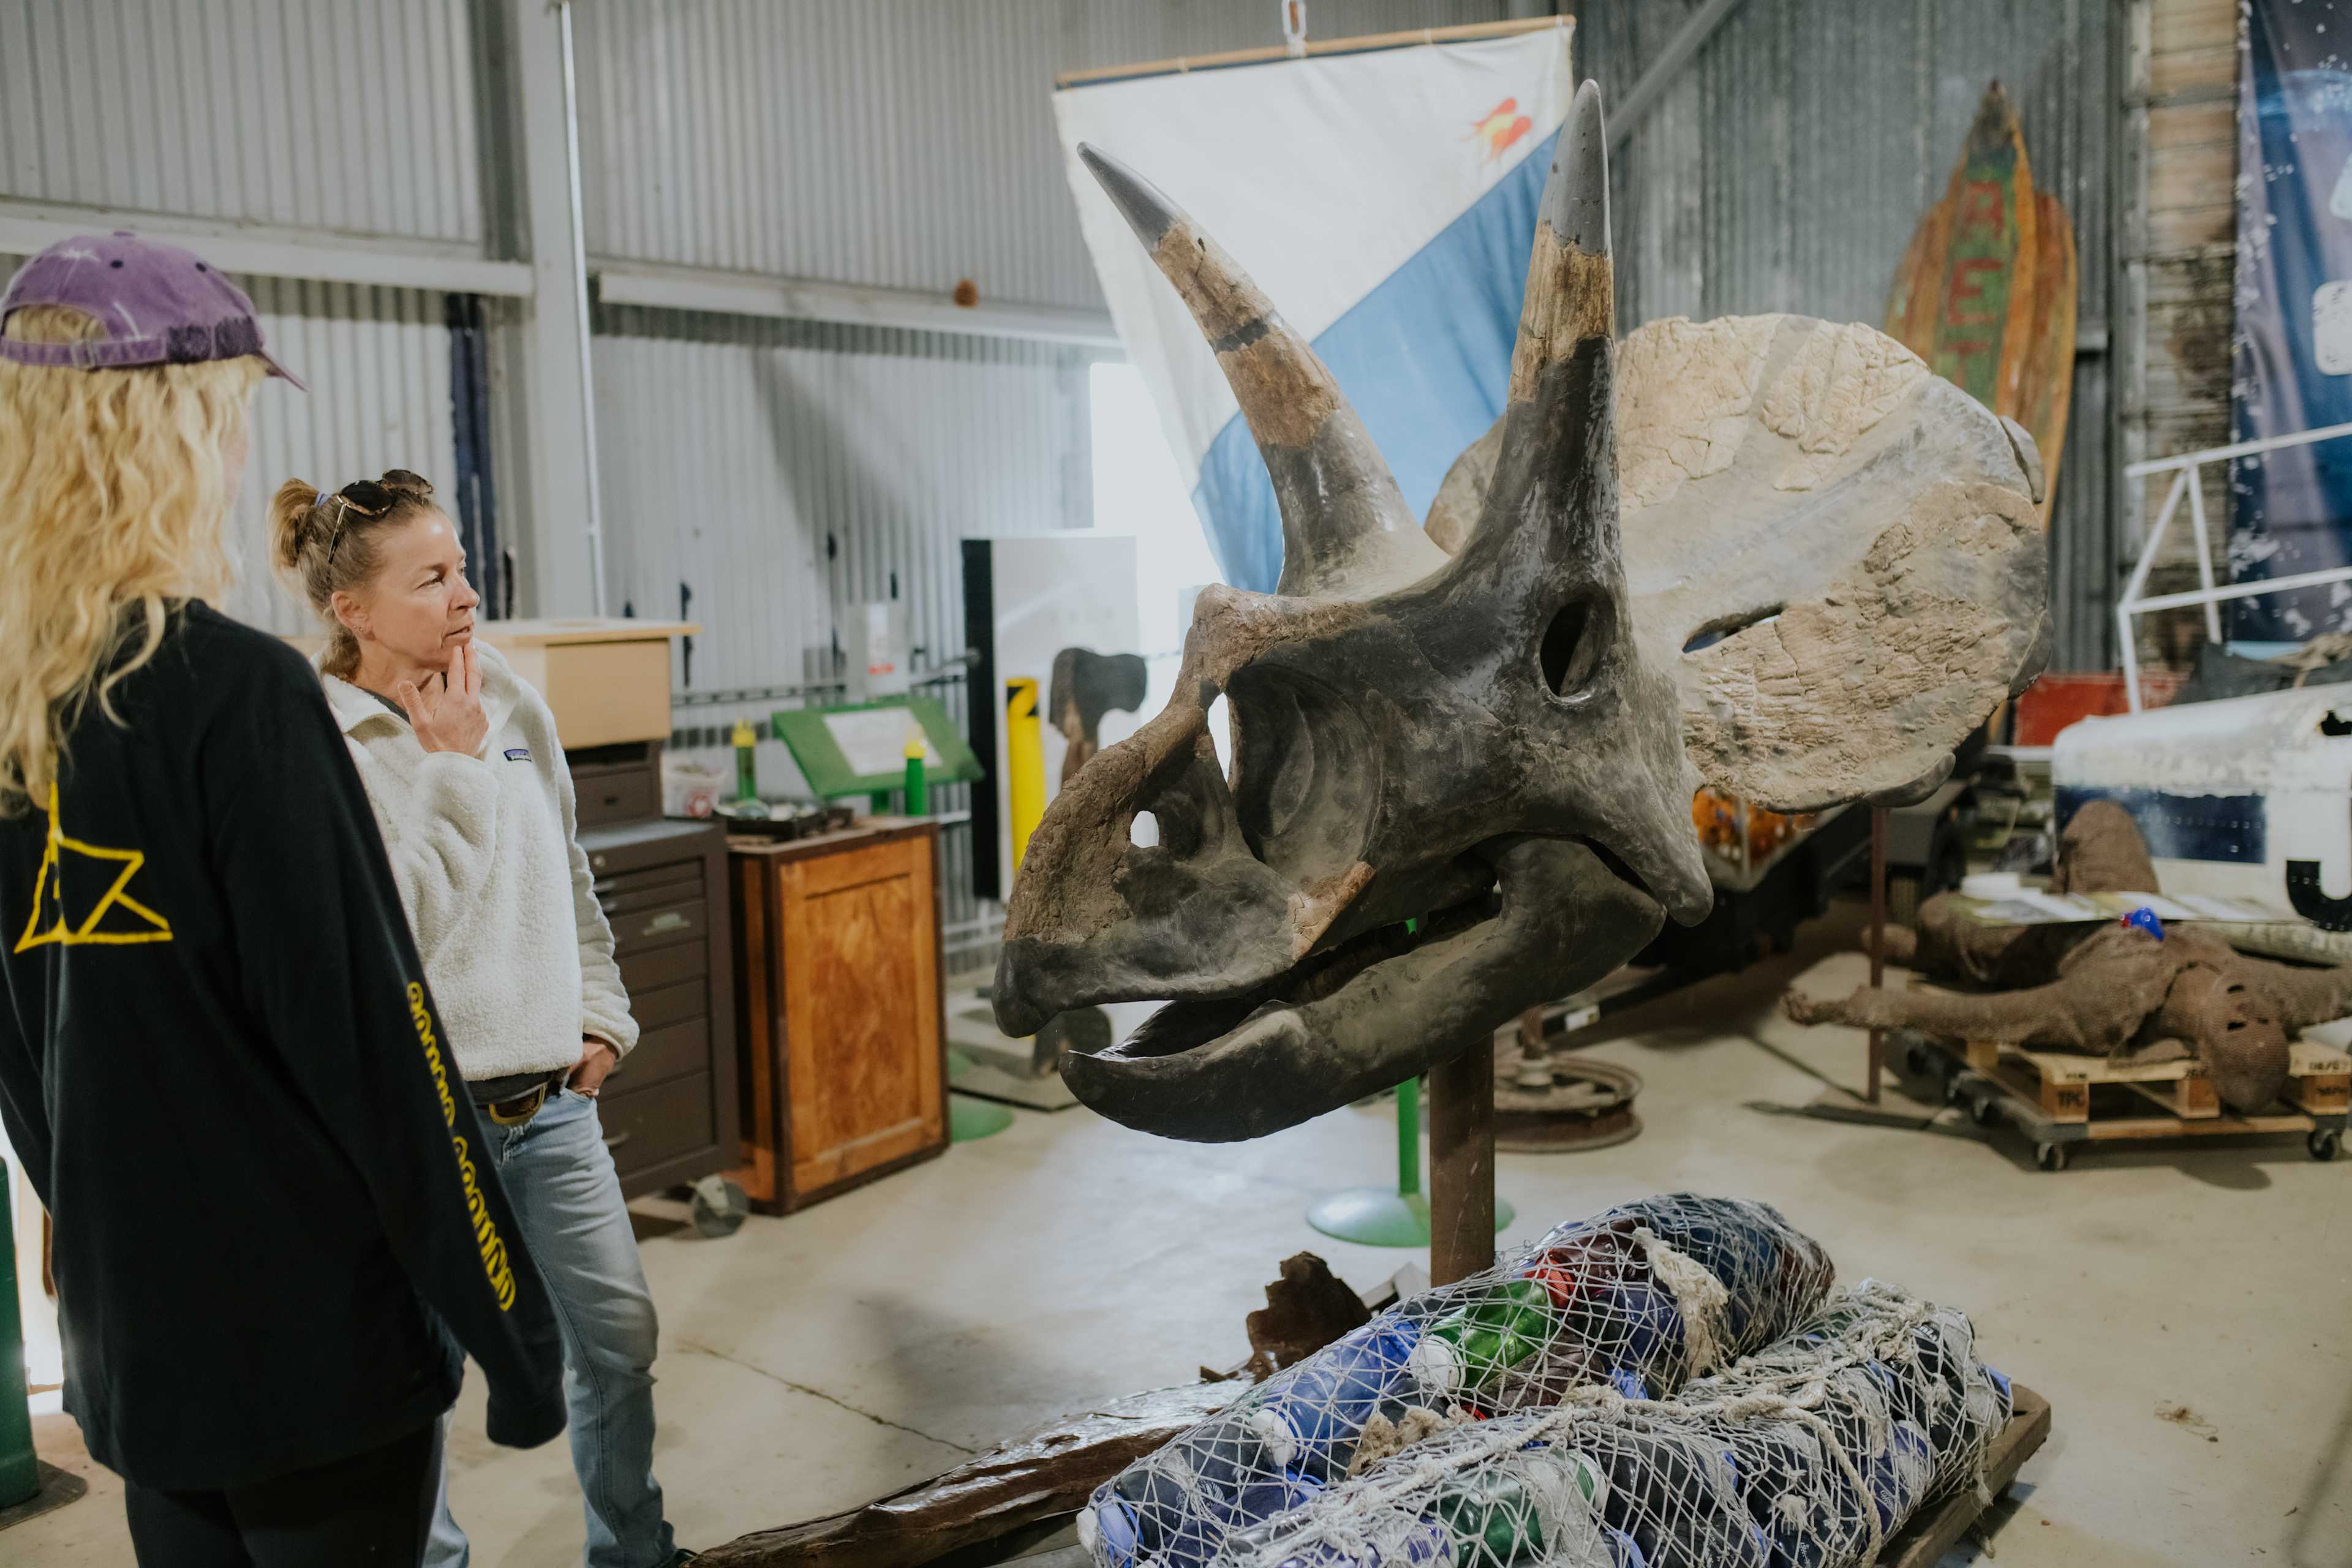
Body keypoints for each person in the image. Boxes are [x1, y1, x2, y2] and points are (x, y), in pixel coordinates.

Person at [0, 237, 568, 1565]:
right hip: (313, 1350)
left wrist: (89, 1253)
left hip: (137, 1357)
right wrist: (514, 1331)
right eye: (229, 414)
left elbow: (24, 1065)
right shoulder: (237, 692)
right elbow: (379, 1044)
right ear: (173, 434)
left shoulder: (16, 716)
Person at [271, 470, 692, 1568]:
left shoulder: (505, 693)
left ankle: (635, 1553)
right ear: (353, 611)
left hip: (551, 1110)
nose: (466, 596)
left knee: (619, 1342)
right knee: (422, 1386)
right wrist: (447, 764)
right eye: (431, 579)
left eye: (461, 569)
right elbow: (384, 936)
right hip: (421, 1131)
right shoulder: (318, 742)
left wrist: (601, 1014)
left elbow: (565, 868)